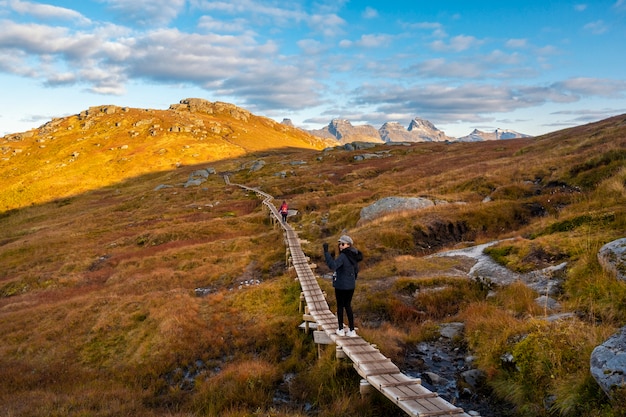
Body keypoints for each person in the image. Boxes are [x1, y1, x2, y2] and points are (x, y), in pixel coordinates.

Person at [323, 235, 363, 337]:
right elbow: (355, 271)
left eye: (342, 244)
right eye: (340, 244)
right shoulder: (354, 255)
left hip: (341, 285)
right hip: (350, 286)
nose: (340, 246)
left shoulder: (344, 256)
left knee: (340, 306)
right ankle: (352, 330)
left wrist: (326, 252)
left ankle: (340, 329)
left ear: (348, 245)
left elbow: (333, 265)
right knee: (348, 306)